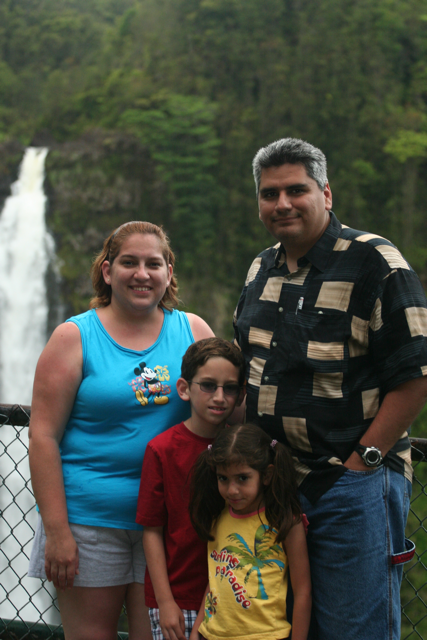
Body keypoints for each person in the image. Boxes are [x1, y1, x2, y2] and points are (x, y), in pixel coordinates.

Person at [233, 138, 427, 640]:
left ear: (326, 193)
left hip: (349, 486)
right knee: (282, 625)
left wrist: (364, 462)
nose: (282, 204)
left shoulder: (373, 261)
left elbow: (415, 375)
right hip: (274, 486)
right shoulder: (261, 268)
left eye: (296, 190)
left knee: (352, 629)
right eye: (269, 194)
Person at [28, 221, 214, 640]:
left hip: (171, 523)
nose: (142, 274)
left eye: (153, 263)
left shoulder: (193, 332)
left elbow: (225, 409)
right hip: (89, 523)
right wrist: (57, 531)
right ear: (108, 271)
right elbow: (43, 436)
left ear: (168, 272)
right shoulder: (73, 337)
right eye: (129, 262)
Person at [136, 338, 246, 640]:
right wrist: (165, 602)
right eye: (208, 385)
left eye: (230, 388)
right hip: (179, 597)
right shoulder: (162, 450)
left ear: (241, 394)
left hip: (235, 594)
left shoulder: (244, 453)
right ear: (184, 388)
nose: (220, 397)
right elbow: (152, 531)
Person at [188, 423, 311, 640]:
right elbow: (217, 578)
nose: (232, 490)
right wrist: (198, 628)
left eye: (242, 478)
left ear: (266, 475)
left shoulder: (285, 522)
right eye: (223, 478)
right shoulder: (218, 518)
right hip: (212, 634)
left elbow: (302, 592)